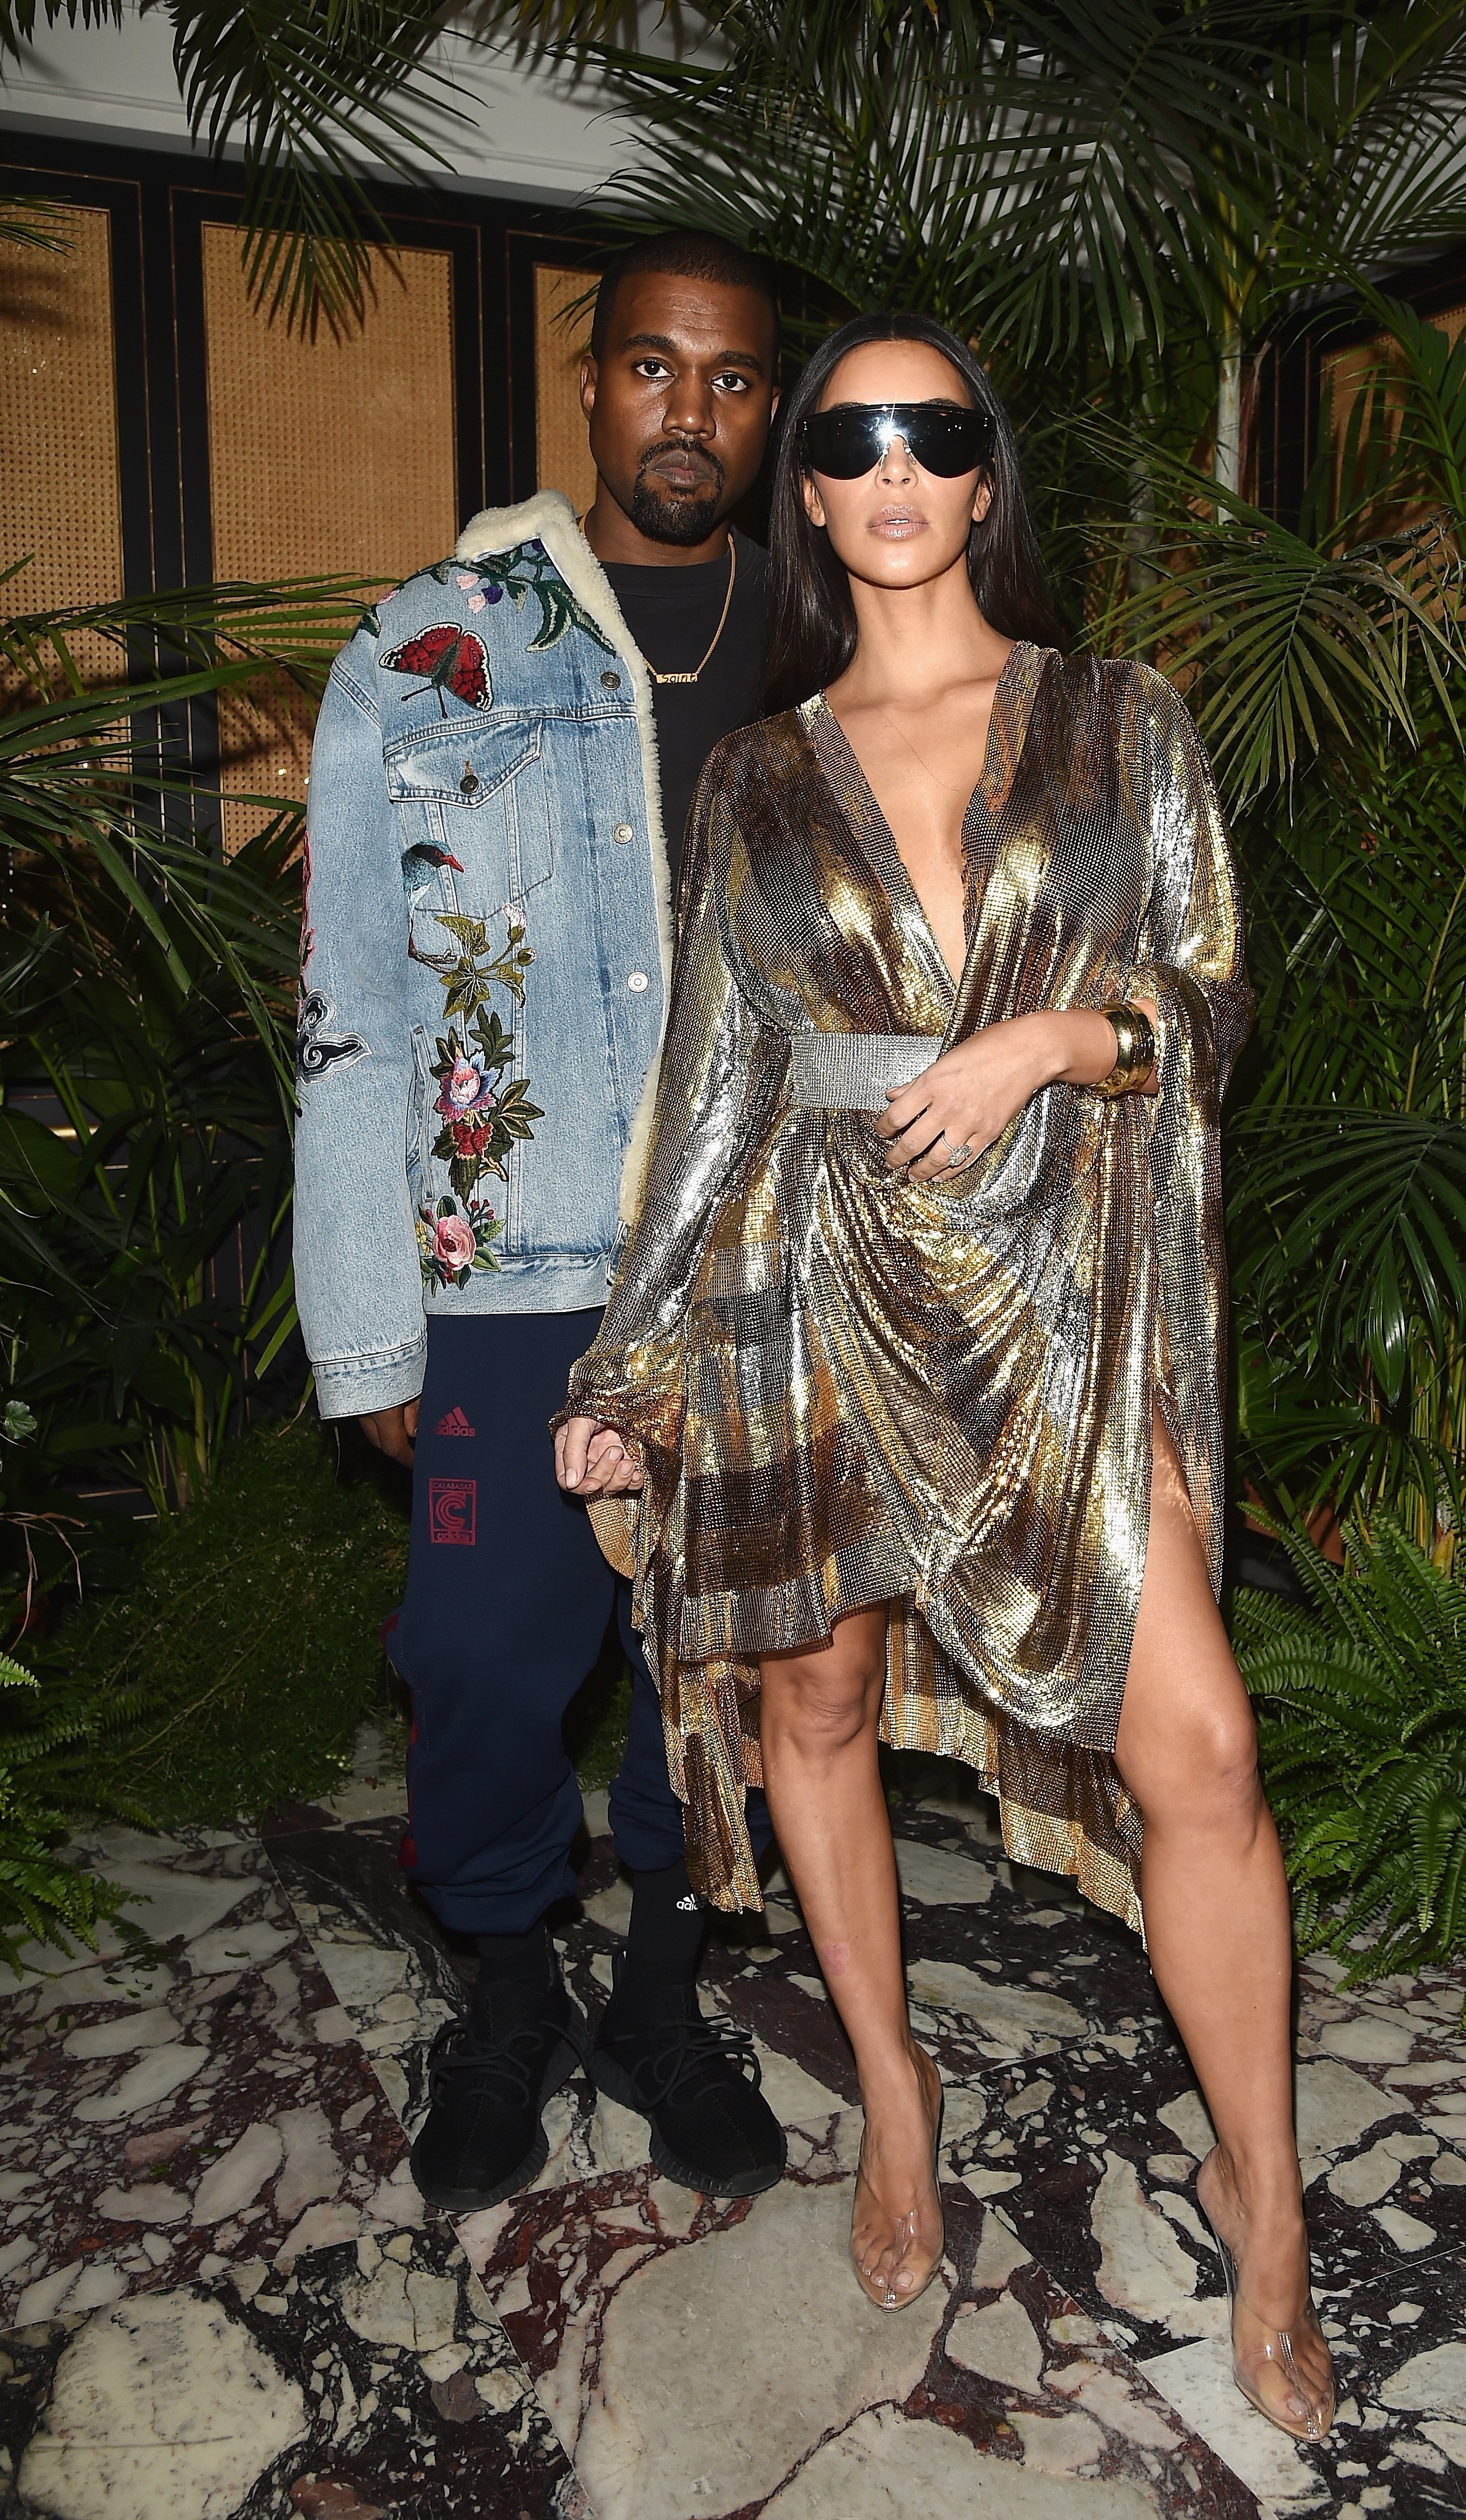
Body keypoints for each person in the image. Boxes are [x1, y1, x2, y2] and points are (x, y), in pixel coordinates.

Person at [553, 309, 1336, 2443]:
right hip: (819, 1284)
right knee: (813, 1700)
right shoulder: (753, 772)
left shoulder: (1121, 720)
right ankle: (893, 2099)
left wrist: (1063, 1039)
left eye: (938, 432)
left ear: (988, 478)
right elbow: (714, 1090)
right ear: (808, 489)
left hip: (1069, 1298)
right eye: (849, 437)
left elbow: (1216, 1001)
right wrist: (635, 1362)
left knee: (1204, 1748)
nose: (893, 466)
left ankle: (1267, 2200)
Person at [294, 232, 789, 2215]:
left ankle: (666, 1992)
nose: (693, 410)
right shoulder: (435, 642)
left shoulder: (837, 637)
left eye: (736, 378)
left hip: (763, 1265)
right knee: (485, 1659)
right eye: (654, 369)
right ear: (589, 389)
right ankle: (507, 1980)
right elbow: (350, 1000)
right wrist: (367, 1324)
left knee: (725, 1665)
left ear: (773, 410)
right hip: (505, 1262)